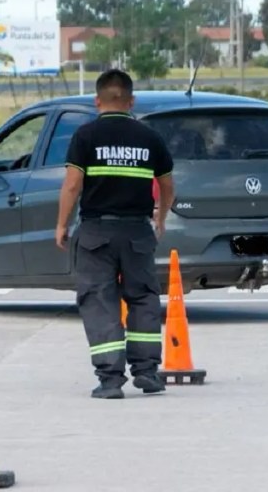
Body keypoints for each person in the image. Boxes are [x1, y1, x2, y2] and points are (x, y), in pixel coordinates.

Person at [55, 68, 176, 400]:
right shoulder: (150, 138)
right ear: (130, 100)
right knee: (143, 298)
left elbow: (72, 185)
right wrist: (161, 220)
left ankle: (110, 379)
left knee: (100, 300)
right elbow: (167, 187)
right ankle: (147, 373)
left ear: (97, 101)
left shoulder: (85, 137)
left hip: (96, 232)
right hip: (137, 231)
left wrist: (62, 224)